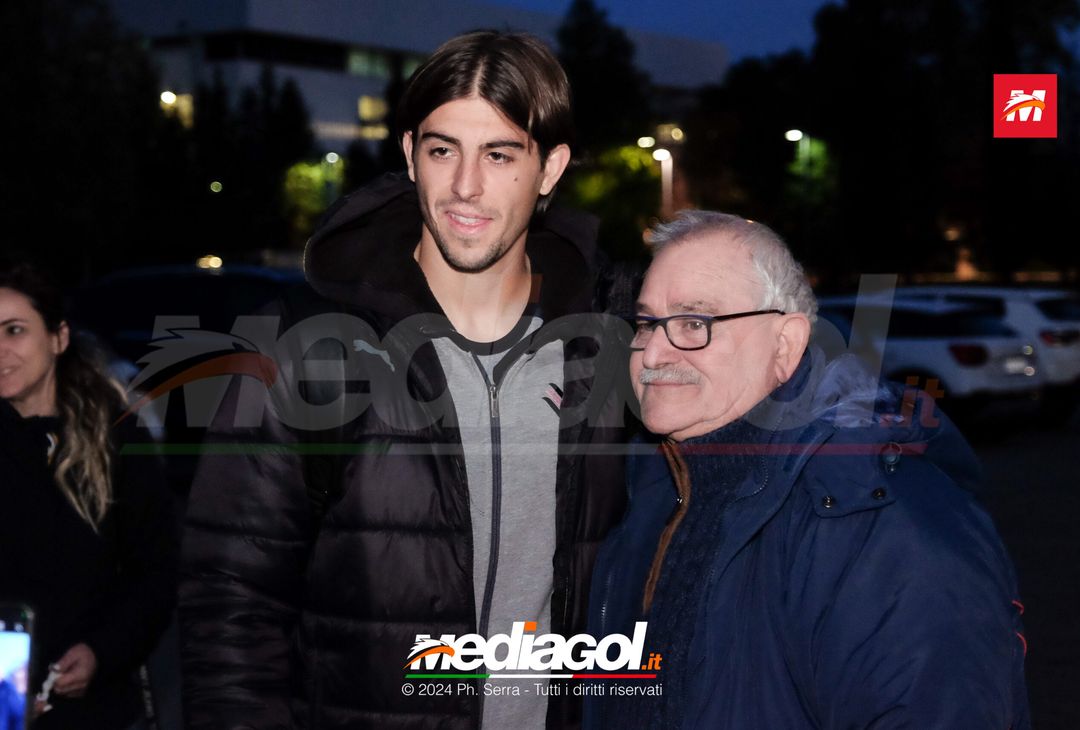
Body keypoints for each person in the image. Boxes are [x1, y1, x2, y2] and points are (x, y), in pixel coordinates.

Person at [180, 30, 630, 729]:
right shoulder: (304, 347)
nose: (465, 186)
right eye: (442, 149)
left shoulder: (605, 345)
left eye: (500, 154)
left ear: (551, 169)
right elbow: (230, 604)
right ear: (409, 155)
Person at [585, 211, 1030, 729]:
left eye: (694, 323)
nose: (652, 351)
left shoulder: (882, 521)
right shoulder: (661, 485)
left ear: (786, 344)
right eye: (646, 322)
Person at [0, 261, 178, 730]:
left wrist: (102, 653)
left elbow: (156, 571)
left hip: (97, 709)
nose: (0, 351)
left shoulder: (114, 439)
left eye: (14, 330)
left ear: (58, 338)